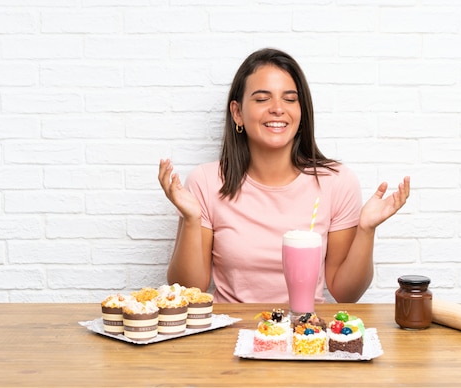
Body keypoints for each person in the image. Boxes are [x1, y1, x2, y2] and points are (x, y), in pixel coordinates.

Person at [158, 48, 410, 304]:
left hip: (304, 336)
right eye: (261, 99)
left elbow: (346, 294)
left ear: (301, 113)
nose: (278, 109)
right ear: (237, 113)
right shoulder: (206, 181)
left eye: (290, 99)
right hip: (230, 336)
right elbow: (190, 291)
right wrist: (191, 220)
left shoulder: (337, 182)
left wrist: (366, 231)